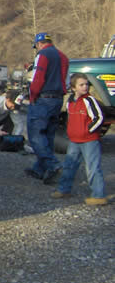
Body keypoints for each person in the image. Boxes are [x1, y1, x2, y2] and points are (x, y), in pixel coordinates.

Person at [51, 73, 107, 205]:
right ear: (74, 87)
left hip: (89, 141)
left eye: (86, 84)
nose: (85, 87)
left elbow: (99, 118)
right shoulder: (70, 101)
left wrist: (87, 131)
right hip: (74, 141)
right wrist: (72, 131)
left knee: (92, 168)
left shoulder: (89, 100)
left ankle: (99, 196)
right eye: (81, 85)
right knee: (69, 165)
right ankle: (64, 190)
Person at [25, 32, 69, 184]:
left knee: (35, 135)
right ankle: (40, 169)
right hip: (58, 99)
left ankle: (53, 165)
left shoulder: (42, 55)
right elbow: (65, 80)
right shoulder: (63, 57)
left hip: (43, 99)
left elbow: (38, 78)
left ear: (39, 44)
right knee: (48, 135)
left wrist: (32, 96)